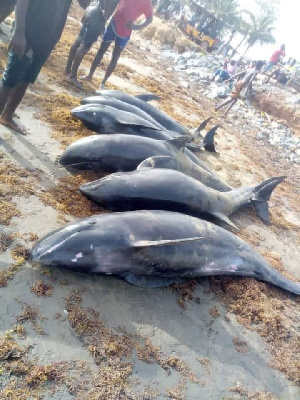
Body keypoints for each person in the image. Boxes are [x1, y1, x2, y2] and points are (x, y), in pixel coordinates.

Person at [0, 0, 90, 134]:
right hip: (27, 35)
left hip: (47, 41)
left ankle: (7, 116)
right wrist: (19, 32)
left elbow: (84, 4)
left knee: (27, 79)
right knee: (10, 80)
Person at [82, 0, 153, 89]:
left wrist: (137, 26)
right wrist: (105, 17)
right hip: (114, 23)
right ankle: (90, 75)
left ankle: (103, 82)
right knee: (101, 50)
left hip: (125, 30)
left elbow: (150, 18)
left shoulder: (146, 2)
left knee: (115, 57)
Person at [65, 1, 105, 89]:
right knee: (84, 46)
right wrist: (102, 24)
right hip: (98, 16)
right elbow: (107, 8)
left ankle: (68, 69)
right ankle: (72, 76)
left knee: (78, 42)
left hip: (92, 8)